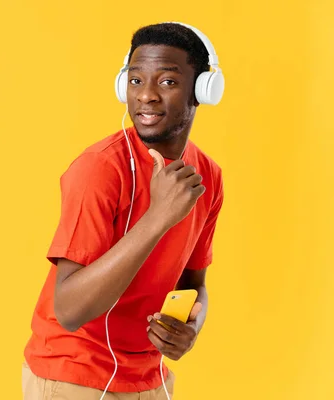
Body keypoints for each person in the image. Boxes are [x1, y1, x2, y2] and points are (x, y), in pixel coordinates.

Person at [22, 22, 225, 400]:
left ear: (202, 91)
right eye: (135, 81)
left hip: (149, 378)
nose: (146, 96)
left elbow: (195, 284)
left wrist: (192, 327)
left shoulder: (207, 176)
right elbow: (68, 309)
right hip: (74, 375)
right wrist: (159, 216)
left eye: (167, 82)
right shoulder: (100, 168)